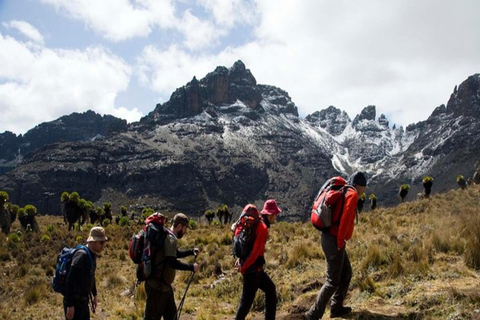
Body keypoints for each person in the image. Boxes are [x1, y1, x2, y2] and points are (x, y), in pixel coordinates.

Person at [305, 172, 367, 319]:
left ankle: (336, 307)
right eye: (364, 187)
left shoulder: (345, 190)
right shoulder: (352, 194)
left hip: (329, 237)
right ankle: (313, 314)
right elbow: (345, 220)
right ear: (360, 186)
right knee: (332, 281)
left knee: (346, 273)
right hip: (334, 240)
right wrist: (340, 242)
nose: (364, 190)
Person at [144, 213, 200, 320]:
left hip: (164, 287)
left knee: (172, 317)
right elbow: (172, 262)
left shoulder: (167, 236)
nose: (185, 232)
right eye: (185, 229)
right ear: (179, 226)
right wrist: (191, 267)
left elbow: (175, 253)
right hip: (157, 287)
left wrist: (191, 252)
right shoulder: (170, 239)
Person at [235, 200, 281, 320]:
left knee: (270, 290)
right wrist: (243, 268)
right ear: (270, 215)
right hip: (252, 271)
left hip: (255, 270)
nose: (276, 217)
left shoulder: (253, 225)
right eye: (275, 214)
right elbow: (255, 253)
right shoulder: (262, 228)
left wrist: (241, 261)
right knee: (245, 305)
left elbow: (246, 245)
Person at [65, 226, 108, 320]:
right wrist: (70, 305)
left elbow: (91, 276)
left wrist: (94, 295)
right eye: (101, 242)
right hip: (75, 303)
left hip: (84, 302)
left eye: (104, 242)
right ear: (94, 241)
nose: (103, 245)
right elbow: (70, 280)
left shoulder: (92, 255)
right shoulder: (81, 256)